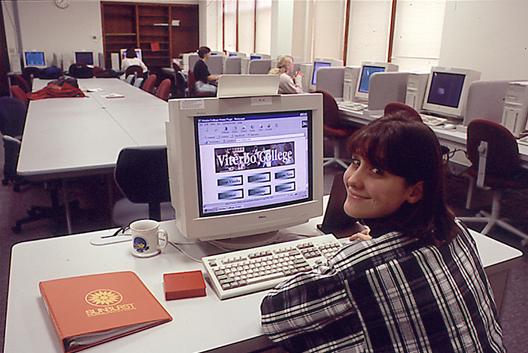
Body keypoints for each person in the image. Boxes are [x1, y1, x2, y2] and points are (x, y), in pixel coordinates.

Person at [261, 116, 505, 352]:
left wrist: (352, 257)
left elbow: (273, 315)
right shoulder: (455, 229)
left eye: (377, 171)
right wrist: (378, 246)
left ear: (414, 191)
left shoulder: (354, 270)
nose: (353, 180)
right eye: (356, 162)